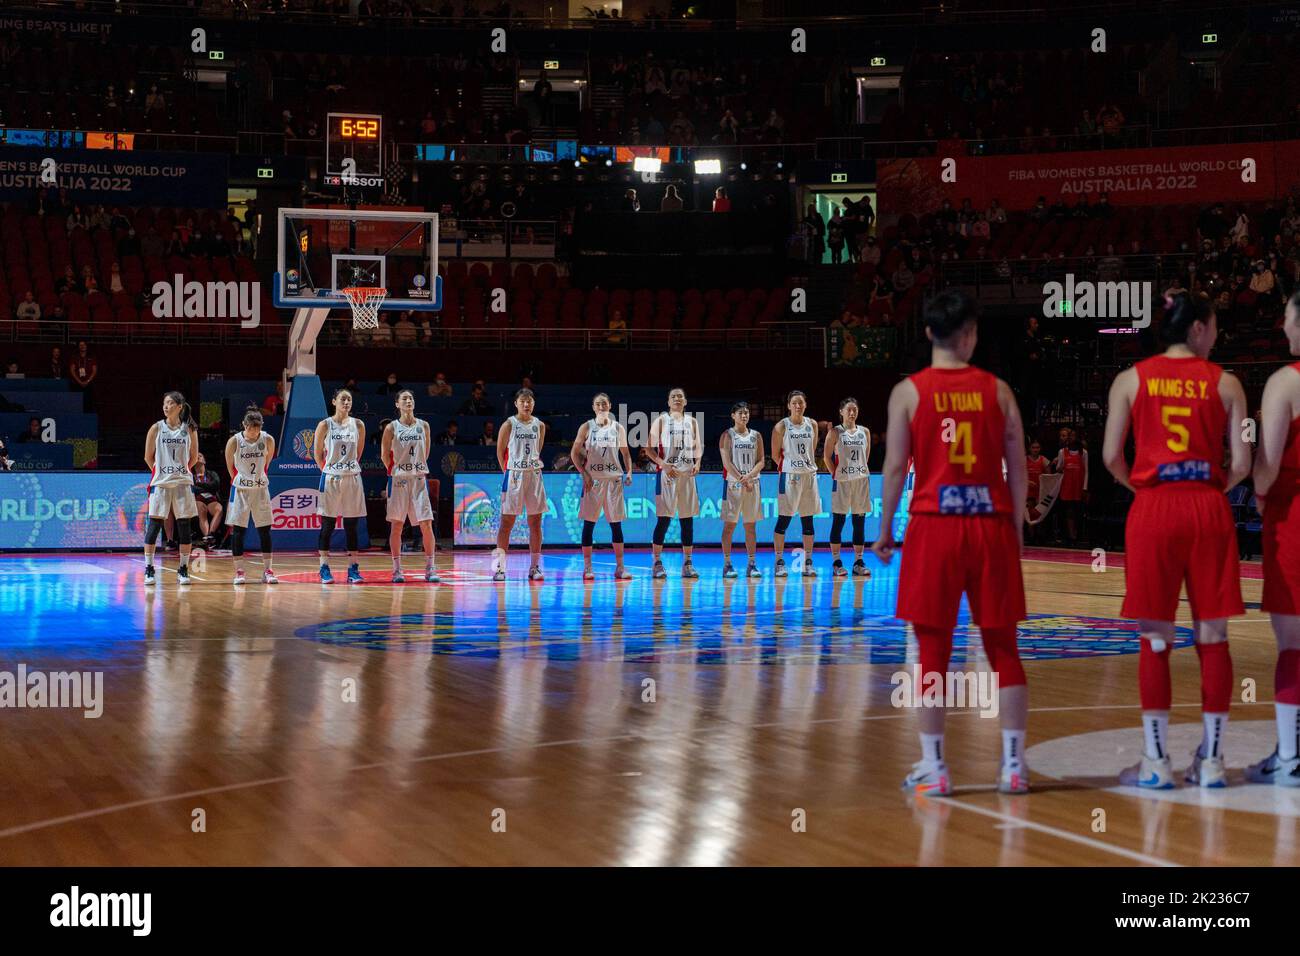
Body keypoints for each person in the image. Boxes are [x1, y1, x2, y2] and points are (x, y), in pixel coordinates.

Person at [872, 290, 1030, 796]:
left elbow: (896, 467)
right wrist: (1018, 525)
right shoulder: (1000, 391)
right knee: (1003, 647)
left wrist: (884, 528)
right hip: (990, 523)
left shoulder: (908, 393)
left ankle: (935, 768)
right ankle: (1012, 767)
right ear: (969, 335)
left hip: (934, 526)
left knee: (933, 651)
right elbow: (1019, 467)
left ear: (927, 334)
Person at [1101, 291, 1250, 789]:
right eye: (1214, 327)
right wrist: (1211, 489)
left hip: (1154, 507)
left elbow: (1110, 457)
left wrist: (1142, 486)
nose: (1217, 336)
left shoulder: (1129, 379)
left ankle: (1156, 762)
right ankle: (1212, 764)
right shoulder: (1227, 383)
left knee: (1156, 637)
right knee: (1213, 636)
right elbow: (1244, 464)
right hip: (1207, 506)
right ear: (1198, 329)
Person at [1250, 290, 1300, 786]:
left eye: (1287, 317)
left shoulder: (1285, 381)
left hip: (1294, 517)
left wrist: (1259, 493)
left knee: (1293, 643)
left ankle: (1292, 755)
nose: (1283, 327)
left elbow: (1265, 468)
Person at [570, 393, 633, 580]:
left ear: (610, 406)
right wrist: (584, 473)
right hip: (594, 481)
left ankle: (620, 567)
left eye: (604, 403)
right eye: (598, 403)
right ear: (593, 407)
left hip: (613, 480)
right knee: (589, 524)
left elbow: (626, 454)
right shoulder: (586, 427)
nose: (601, 406)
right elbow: (574, 454)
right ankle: (588, 567)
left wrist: (629, 472)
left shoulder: (618, 428)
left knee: (616, 525)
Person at [381, 390, 440, 584]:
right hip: (398, 480)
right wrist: (397, 470)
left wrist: (416, 466)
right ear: (397, 404)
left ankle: (430, 568)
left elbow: (427, 451)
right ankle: (397, 570)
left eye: (411, 398)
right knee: (397, 525)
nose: (408, 401)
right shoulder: (391, 427)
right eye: (404, 398)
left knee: (426, 523)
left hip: (418, 479)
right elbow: (384, 455)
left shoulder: (424, 426)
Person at [143, 392, 200, 587]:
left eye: (170, 403)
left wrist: (180, 471)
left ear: (179, 407)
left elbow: (193, 457)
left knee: (184, 527)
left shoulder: (189, 429)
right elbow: (148, 457)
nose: (166, 407)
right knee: (154, 525)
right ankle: (149, 568)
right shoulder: (156, 428)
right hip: (161, 483)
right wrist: (161, 472)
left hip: (183, 483)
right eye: (164, 403)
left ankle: (183, 568)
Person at [491, 389, 547, 582]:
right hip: (514, 475)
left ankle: (535, 567)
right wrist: (508, 472)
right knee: (507, 523)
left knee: (535, 523)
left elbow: (537, 451)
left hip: (534, 475)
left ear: (533, 403)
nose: (526, 404)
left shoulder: (539, 425)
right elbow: (500, 452)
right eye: (522, 401)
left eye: (529, 401)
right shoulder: (509, 424)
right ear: (516, 403)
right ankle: (500, 568)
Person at [646, 387, 702, 579]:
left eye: (680, 396)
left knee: (687, 521)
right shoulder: (661, 421)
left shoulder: (692, 422)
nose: (677, 399)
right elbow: (648, 449)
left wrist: (698, 462)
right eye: (673, 397)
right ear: (668, 402)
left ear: (685, 402)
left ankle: (687, 563)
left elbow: (698, 447)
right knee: (664, 520)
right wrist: (663, 464)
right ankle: (657, 562)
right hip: (667, 476)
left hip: (687, 476)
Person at [313, 388, 367, 584]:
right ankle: (324, 567)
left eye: (349, 399)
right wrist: (329, 470)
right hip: (331, 478)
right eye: (343, 399)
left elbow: (358, 453)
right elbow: (317, 454)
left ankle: (353, 568)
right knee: (327, 525)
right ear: (334, 401)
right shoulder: (325, 424)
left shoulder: (358, 425)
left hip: (352, 477)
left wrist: (347, 468)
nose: (346, 402)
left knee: (351, 526)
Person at [224, 407, 278, 585]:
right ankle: (239, 571)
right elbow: (230, 466)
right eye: (251, 427)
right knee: (239, 531)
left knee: (265, 530)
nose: (254, 430)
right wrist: (242, 480)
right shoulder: (235, 441)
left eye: (257, 427)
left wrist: (258, 478)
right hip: (241, 490)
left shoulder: (268, 439)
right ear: (244, 425)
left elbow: (267, 463)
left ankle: (268, 570)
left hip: (261, 489)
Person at [770, 390, 821, 576]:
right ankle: (779, 561)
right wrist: (792, 466)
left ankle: (808, 562)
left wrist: (803, 465)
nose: (798, 406)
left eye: (801, 403)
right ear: (788, 406)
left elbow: (811, 450)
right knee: (784, 519)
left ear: (805, 405)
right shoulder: (781, 426)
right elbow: (775, 455)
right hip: (790, 476)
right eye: (794, 403)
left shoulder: (812, 424)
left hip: (809, 475)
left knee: (808, 520)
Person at [824, 397, 872, 576]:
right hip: (842, 482)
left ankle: (858, 561)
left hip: (860, 481)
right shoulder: (835, 432)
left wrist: (858, 471)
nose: (852, 413)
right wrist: (835, 474)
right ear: (841, 412)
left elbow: (865, 457)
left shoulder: (864, 431)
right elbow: (826, 457)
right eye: (848, 410)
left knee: (859, 523)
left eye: (855, 410)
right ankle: (837, 562)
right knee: (839, 521)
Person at [718, 401, 764, 578]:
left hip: (752, 484)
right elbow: (726, 463)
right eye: (740, 413)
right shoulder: (727, 435)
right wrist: (742, 479)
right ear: (733, 416)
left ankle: (752, 564)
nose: (744, 415)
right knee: (729, 526)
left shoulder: (756, 435)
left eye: (746, 413)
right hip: (733, 485)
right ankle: (727, 564)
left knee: (750, 527)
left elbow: (761, 461)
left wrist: (749, 476)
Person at [1053, 428, 1087, 545]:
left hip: (1078, 485)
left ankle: (1077, 535)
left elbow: (1087, 471)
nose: (1071, 438)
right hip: (1066, 485)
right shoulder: (1062, 452)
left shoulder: (1084, 453)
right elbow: (1058, 468)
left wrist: (1085, 487)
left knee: (1078, 511)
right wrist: (1058, 465)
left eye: (1074, 436)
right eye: (1070, 436)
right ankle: (1070, 536)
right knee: (1068, 511)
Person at [191, 454, 224, 548]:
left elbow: (216, 485)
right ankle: (207, 537)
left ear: (204, 461)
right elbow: (193, 489)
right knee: (202, 510)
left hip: (211, 498)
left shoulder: (212, 474)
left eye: (200, 456)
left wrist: (199, 485)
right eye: (195, 456)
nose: (197, 457)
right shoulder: (191, 476)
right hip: (198, 498)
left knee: (219, 509)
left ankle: (210, 535)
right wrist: (207, 487)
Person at [1025, 439, 1051, 544]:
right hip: (1028, 491)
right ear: (1029, 449)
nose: (1035, 450)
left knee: (1040, 514)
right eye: (1033, 447)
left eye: (1037, 447)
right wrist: (1027, 481)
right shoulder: (1024, 460)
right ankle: (1031, 537)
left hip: (1040, 492)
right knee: (1030, 514)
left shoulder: (1044, 460)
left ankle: (1040, 537)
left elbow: (1049, 477)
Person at [69, 340, 97, 411]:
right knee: (77, 403)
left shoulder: (91, 356)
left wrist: (87, 381)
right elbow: (72, 370)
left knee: (88, 403)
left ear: (86, 346)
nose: (82, 346)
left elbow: (94, 371)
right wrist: (79, 382)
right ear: (78, 347)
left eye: (84, 344)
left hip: (89, 384)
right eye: (80, 345)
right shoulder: (75, 357)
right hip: (77, 384)